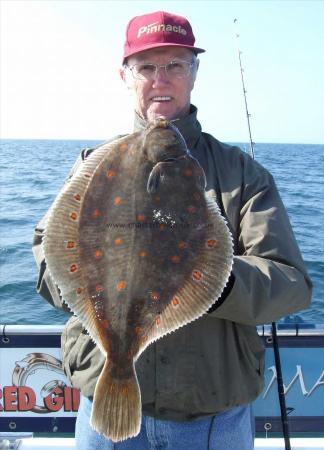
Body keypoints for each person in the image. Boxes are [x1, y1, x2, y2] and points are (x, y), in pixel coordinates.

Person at [32, 10, 312, 450]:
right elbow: (48, 258)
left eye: (175, 65)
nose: (160, 79)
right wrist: (82, 281)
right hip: (102, 408)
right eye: (146, 67)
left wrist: (210, 281)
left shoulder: (244, 174)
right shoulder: (91, 166)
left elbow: (292, 285)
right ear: (126, 76)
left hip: (210, 420)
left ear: (194, 74)